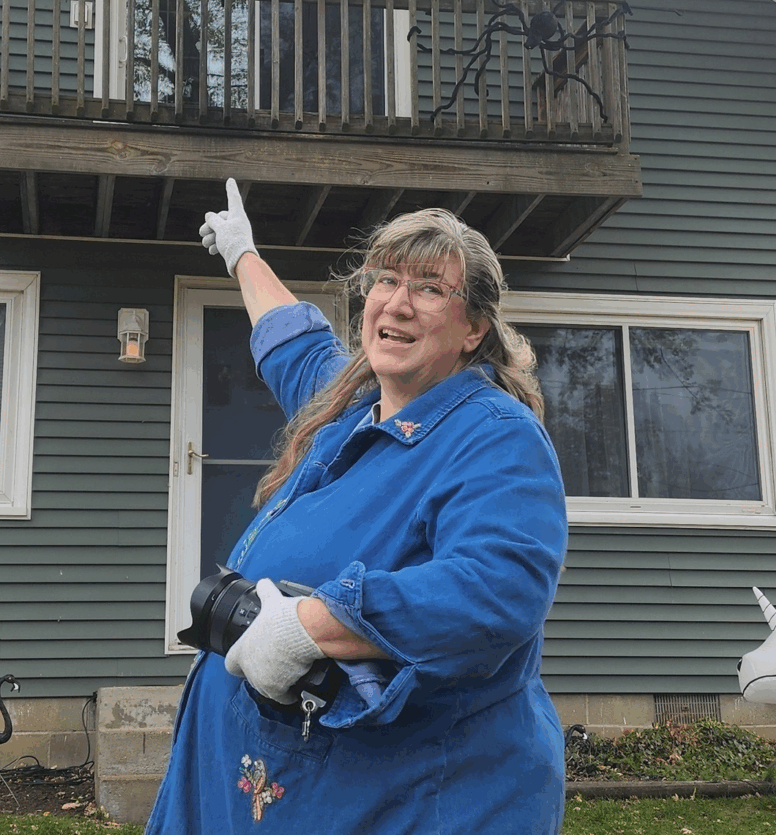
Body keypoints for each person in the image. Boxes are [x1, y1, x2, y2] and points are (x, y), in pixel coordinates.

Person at [144, 178, 568, 835]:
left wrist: (310, 625)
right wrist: (241, 253)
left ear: (474, 327)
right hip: (274, 779)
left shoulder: (494, 436)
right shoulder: (348, 410)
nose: (396, 303)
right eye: (385, 280)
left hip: (404, 799)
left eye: (429, 288)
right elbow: (292, 341)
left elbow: (498, 589)